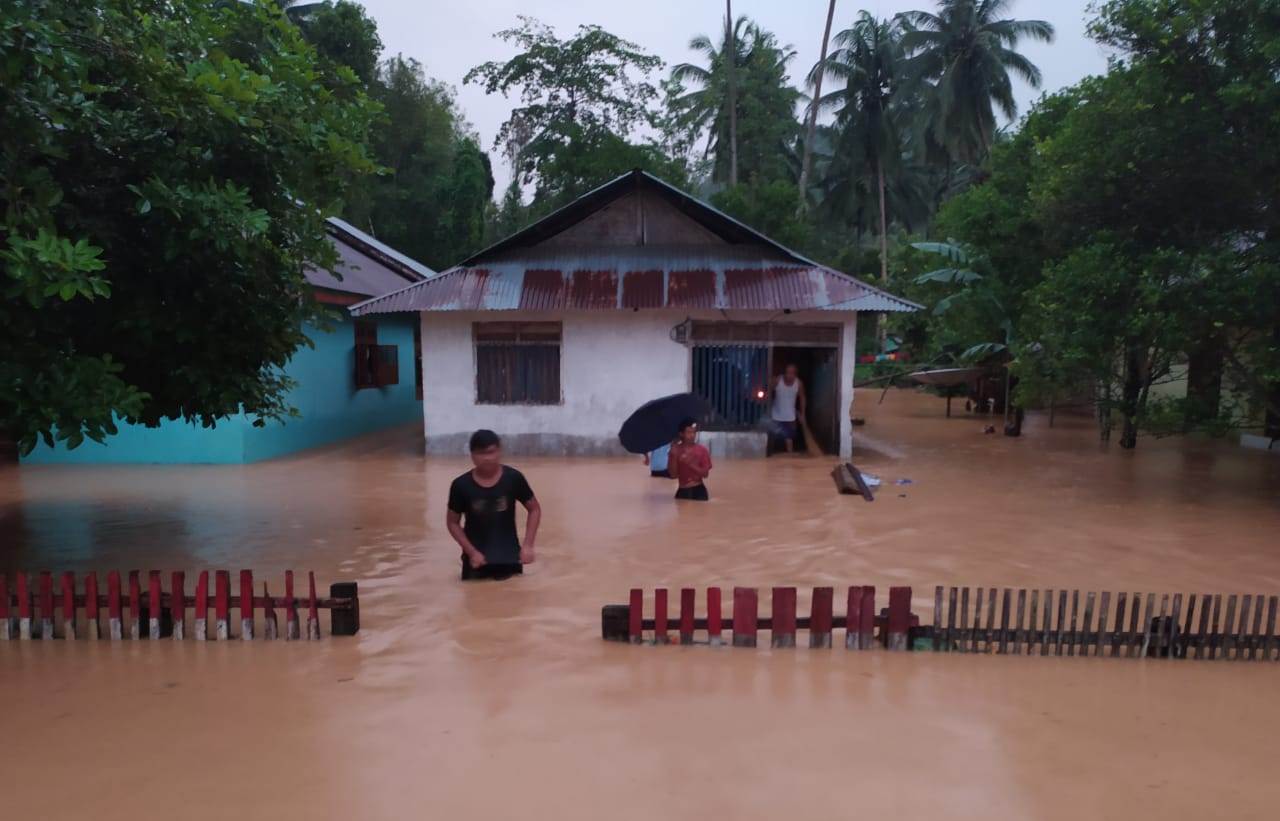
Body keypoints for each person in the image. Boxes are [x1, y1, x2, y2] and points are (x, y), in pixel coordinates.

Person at [446, 429, 541, 581]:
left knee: (515, 595)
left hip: (510, 560)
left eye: (491, 452)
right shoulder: (461, 485)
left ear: (499, 451)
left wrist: (528, 545)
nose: (487, 458)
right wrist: (471, 552)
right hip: (475, 563)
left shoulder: (513, 478)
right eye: (481, 453)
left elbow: (534, 509)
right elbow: (452, 523)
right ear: (472, 455)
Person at [668, 418, 712, 501]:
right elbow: (673, 475)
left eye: (694, 432)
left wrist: (690, 464)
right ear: (681, 434)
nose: (692, 435)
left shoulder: (702, 450)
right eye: (689, 432)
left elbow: (705, 474)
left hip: (698, 491)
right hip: (682, 491)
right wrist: (673, 456)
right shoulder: (675, 450)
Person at [769, 364, 806, 454]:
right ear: (784, 373)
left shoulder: (798, 383)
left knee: (789, 439)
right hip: (776, 415)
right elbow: (768, 392)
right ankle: (770, 455)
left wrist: (802, 414)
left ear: (795, 374)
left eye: (792, 373)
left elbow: (802, 398)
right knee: (772, 437)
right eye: (787, 373)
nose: (789, 375)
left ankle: (790, 457)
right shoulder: (778, 380)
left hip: (790, 417)